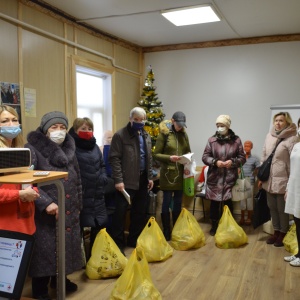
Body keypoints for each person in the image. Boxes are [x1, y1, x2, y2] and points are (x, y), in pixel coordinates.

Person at [26, 111, 83, 300]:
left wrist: (79, 203)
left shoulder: (69, 149)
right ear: (45, 129)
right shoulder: (32, 149)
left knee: (65, 246)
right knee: (44, 251)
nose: (59, 131)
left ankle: (60, 280)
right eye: (54, 127)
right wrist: (46, 202)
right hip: (45, 211)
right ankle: (40, 289)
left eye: (63, 127)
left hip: (69, 207)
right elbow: (27, 182)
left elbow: (78, 179)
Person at [108, 107, 153, 253]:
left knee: (139, 213)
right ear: (130, 119)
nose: (139, 122)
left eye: (142, 120)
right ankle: (118, 244)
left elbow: (148, 158)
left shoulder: (146, 135)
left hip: (142, 179)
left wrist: (150, 176)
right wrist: (118, 180)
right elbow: (114, 158)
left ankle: (134, 240)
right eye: (136, 119)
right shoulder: (120, 135)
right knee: (120, 214)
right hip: (126, 182)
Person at [69, 117, 108, 260]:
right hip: (81, 195)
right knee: (78, 228)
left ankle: (95, 258)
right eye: (83, 129)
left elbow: (102, 165)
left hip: (97, 193)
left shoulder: (95, 146)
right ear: (75, 130)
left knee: (99, 226)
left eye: (89, 129)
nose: (87, 131)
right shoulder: (71, 147)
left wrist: (103, 177)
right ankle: (80, 260)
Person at [259, 112, 298, 247]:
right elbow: (264, 155)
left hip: (284, 180)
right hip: (268, 180)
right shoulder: (269, 136)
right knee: (272, 207)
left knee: (282, 209)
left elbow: (294, 162)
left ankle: (283, 232)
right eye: (276, 120)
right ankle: (275, 231)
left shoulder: (292, 138)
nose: (278, 123)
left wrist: (291, 183)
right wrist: (260, 176)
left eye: (281, 120)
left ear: (287, 122)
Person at [202, 114, 246, 236]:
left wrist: (233, 162)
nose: (219, 128)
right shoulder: (212, 140)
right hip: (214, 178)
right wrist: (215, 162)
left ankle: (229, 225)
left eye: (222, 125)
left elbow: (242, 157)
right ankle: (214, 226)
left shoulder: (236, 140)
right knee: (214, 204)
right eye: (218, 125)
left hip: (230, 178)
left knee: (228, 203)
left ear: (227, 126)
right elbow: (205, 157)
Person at [0, 105, 39, 235]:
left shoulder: (20, 152)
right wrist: (20, 194)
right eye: (4, 121)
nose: (11, 124)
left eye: (14, 119)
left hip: (25, 223)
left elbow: (25, 183)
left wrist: (32, 191)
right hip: (6, 226)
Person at [153, 111, 191, 240]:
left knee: (178, 203)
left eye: (182, 125)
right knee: (166, 203)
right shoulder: (164, 134)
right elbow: (156, 154)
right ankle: (166, 231)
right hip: (168, 174)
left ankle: (176, 229)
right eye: (178, 124)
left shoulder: (184, 135)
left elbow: (188, 152)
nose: (180, 127)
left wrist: (188, 162)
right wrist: (170, 157)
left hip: (180, 174)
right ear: (172, 121)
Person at [284, 117, 300, 266]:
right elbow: (293, 170)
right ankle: (299, 253)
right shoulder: (296, 146)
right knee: (297, 220)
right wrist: (288, 188)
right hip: (295, 189)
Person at [238, 140, 260, 225]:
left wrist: (254, 175)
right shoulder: (241, 158)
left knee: (250, 200)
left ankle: (249, 218)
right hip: (241, 181)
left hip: (250, 182)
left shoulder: (254, 159)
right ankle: (242, 217)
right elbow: (238, 168)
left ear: (251, 147)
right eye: (245, 146)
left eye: (248, 146)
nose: (246, 147)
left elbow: (258, 169)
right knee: (242, 200)